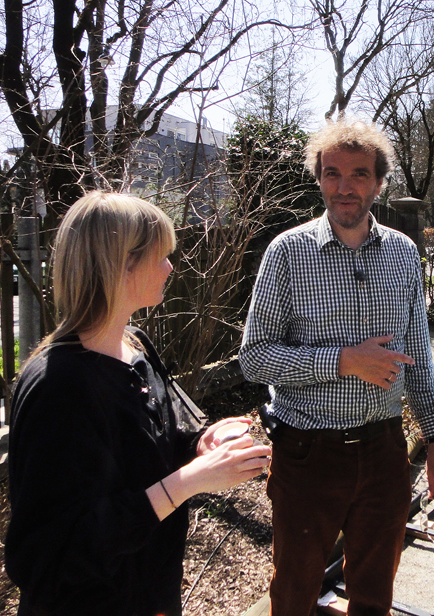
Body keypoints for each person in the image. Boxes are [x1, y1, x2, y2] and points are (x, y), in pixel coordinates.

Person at [5, 191, 271, 616]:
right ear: (119, 265)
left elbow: (171, 430)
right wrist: (187, 483)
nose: (171, 267)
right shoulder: (60, 386)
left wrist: (206, 440)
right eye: (160, 255)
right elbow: (46, 559)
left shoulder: (136, 347)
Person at [239, 119, 434, 616]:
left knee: (375, 593)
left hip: (383, 452)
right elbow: (253, 357)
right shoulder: (288, 253)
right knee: (294, 590)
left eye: (359, 174)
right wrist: (342, 361)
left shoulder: (402, 255)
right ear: (319, 179)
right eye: (332, 173)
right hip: (308, 454)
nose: (344, 186)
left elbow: (417, 358)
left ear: (379, 182)